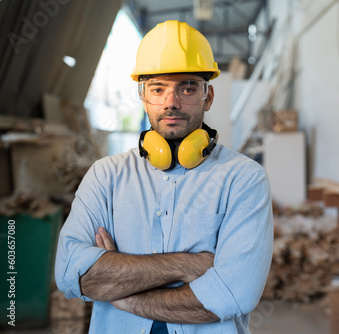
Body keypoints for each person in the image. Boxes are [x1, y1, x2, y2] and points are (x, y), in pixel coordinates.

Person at [55, 20, 273, 334]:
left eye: (187, 87)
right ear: (143, 96)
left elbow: (232, 295)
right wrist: (188, 264)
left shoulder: (243, 179)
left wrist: (120, 292)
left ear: (207, 97)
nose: (171, 102)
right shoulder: (105, 176)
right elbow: (70, 275)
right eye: (158, 89)